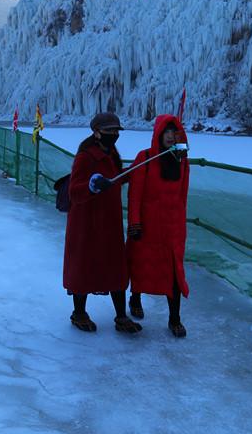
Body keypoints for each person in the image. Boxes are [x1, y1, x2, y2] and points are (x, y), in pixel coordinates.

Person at [63, 112, 142, 334]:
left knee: (115, 267)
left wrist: (135, 169)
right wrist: (91, 186)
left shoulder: (111, 152)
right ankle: (79, 313)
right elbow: (74, 192)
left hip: (110, 221)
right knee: (83, 267)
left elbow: (114, 180)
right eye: (110, 131)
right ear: (97, 132)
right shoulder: (85, 157)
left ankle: (121, 316)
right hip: (86, 223)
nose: (114, 135)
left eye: (116, 131)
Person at [126, 114, 191, 337]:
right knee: (141, 265)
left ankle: (175, 319)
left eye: (175, 132)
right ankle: (135, 297)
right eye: (168, 132)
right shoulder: (144, 158)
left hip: (172, 229)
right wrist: (134, 223)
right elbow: (135, 194)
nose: (172, 137)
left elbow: (183, 197)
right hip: (147, 227)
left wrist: (181, 226)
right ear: (159, 134)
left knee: (174, 273)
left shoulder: (182, 162)